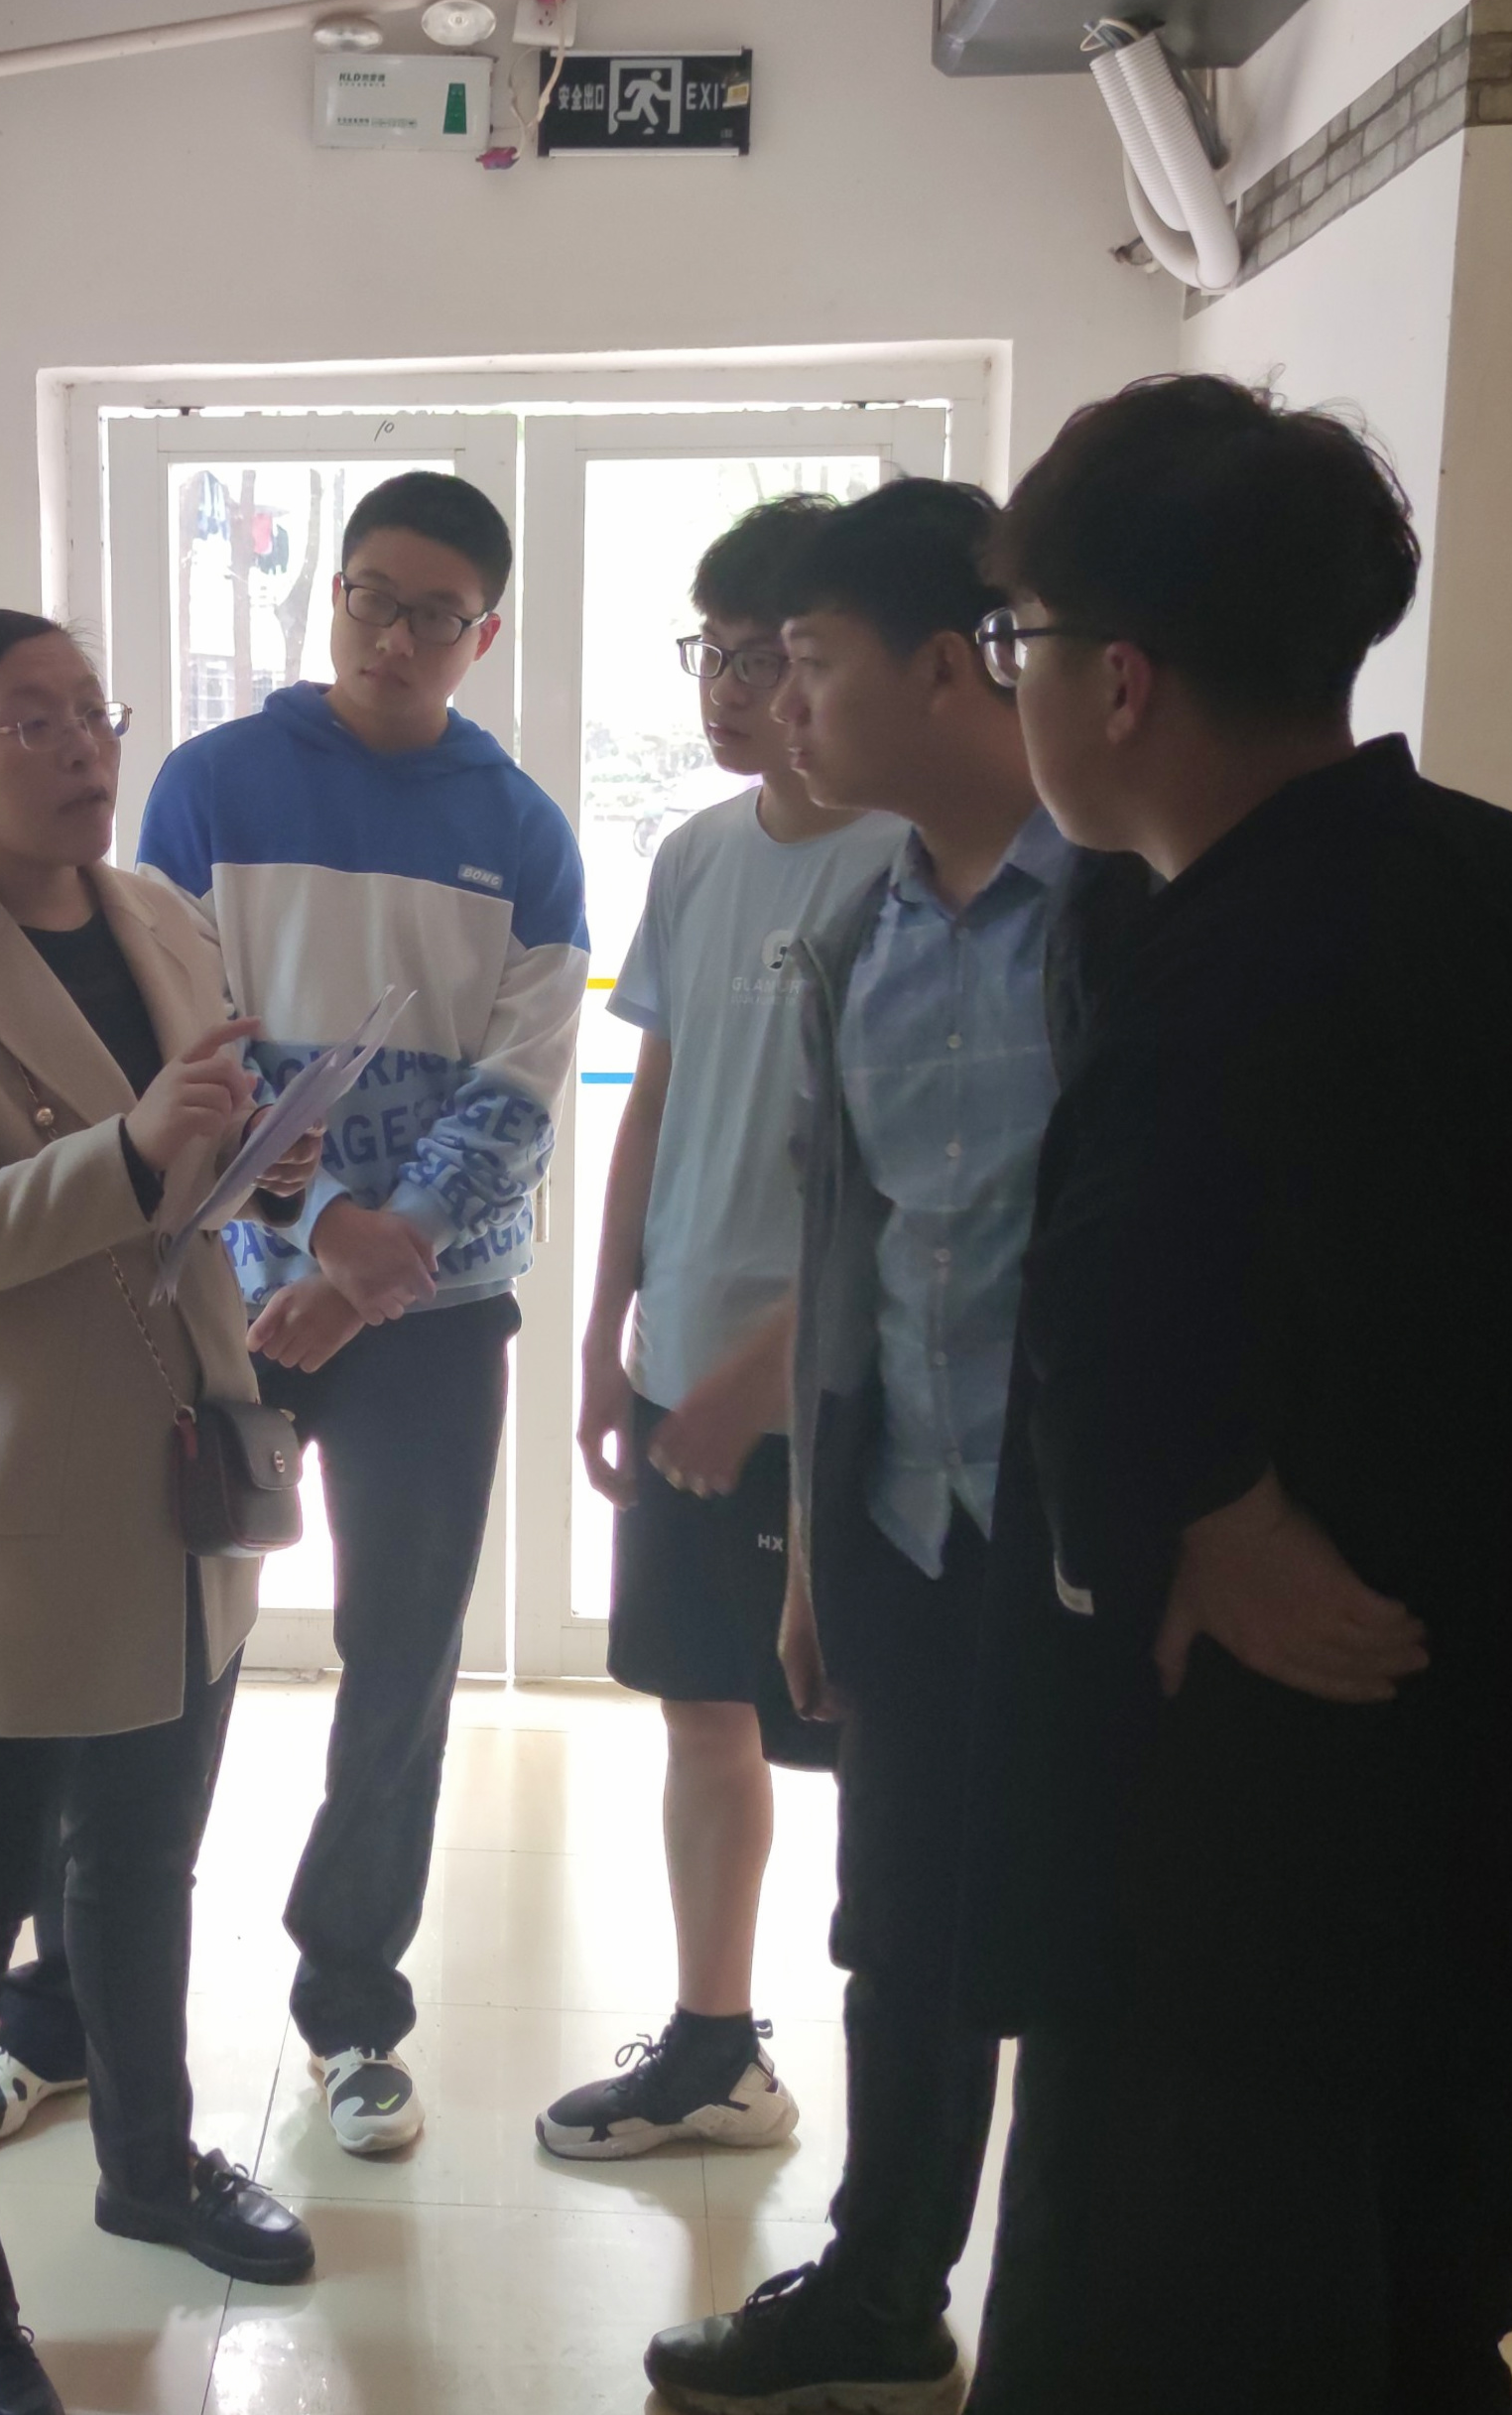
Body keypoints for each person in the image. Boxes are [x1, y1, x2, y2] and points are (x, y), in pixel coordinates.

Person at [965, 375, 1512, 2413]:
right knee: (1423, 2314)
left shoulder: (1210, 960)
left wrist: (1212, 1523)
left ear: (1118, 680)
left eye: (1015, 640)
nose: (1013, 685)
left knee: (1181, 2325)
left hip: (1254, 1850)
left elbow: (1099, 1318)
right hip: (1499, 1792)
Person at [640, 480, 1148, 2415]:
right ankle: (879, 2293)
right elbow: (848, 1253)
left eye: (812, 663)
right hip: (910, 1530)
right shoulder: (865, 932)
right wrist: (812, 1558)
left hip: (1097, 1548)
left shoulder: (1123, 915)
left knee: (1092, 1947)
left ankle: (1084, 2327)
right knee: (902, 1937)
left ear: (947, 667)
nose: (783, 706)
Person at [0, 610, 315, 2415]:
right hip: (12, 1515)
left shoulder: (158, 917)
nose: (81, 747)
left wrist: (263, 1154)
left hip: (178, 1476)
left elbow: (192, 1166)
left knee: (146, 1858)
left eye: (90, 712)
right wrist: (128, 1152)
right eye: (27, 722)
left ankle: (151, 2164)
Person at [134, 469, 585, 2154]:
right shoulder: (210, 786)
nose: (395, 637)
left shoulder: (525, 831)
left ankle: (353, 2012)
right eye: (370, 598)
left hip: (437, 1318)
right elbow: (183, 1037)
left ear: (485, 633)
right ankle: (85, 2004)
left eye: (434, 614)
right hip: (230, 1295)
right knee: (169, 1646)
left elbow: (520, 1085)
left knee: (402, 1658)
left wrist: (382, 1262)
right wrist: (321, 1238)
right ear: (330, 595)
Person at [540, 493, 900, 2164]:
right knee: (701, 1704)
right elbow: (654, 1106)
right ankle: (714, 2047)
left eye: (771, 657)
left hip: (848, 1394)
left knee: (870, 1733)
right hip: (683, 1362)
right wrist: (607, 1333)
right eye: (715, 654)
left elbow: (903, 1177)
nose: (735, 691)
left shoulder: (906, 863)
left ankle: (903, 2113)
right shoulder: (693, 856)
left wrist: (767, 1371)